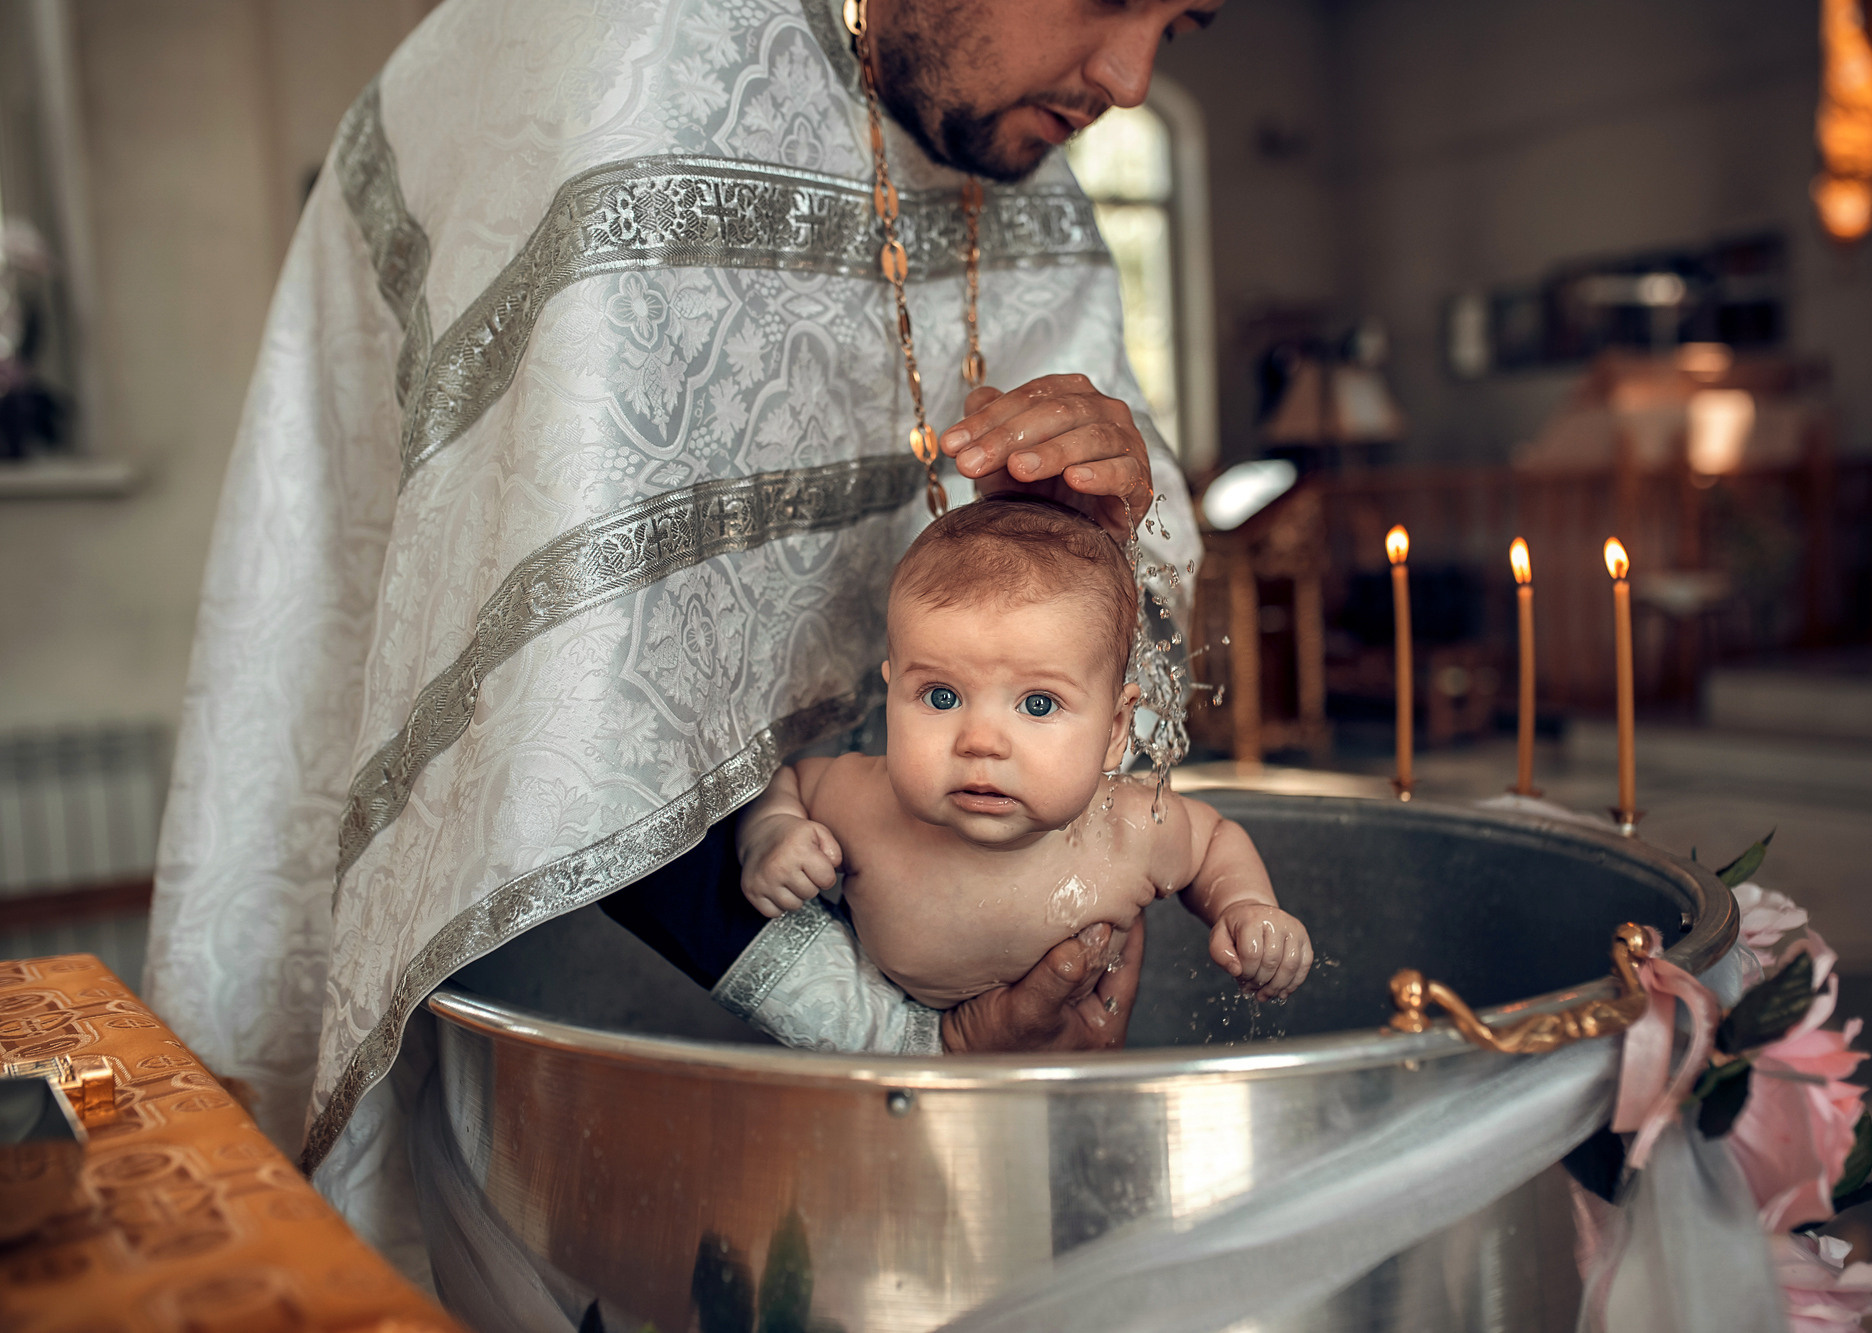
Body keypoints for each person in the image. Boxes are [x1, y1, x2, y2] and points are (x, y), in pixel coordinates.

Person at [144, 0, 1216, 1283]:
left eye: (1184, 24)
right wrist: (904, 1036)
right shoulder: (626, 58)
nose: (1132, 78)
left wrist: (1086, 543)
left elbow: (1099, 662)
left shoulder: (1022, 176)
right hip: (577, 1000)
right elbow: (577, 712)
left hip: (900, 949)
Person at [740, 496, 1312, 1008]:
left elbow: (1214, 840)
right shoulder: (863, 804)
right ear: (891, 697)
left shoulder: (1129, 827)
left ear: (1116, 728)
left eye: (1038, 705)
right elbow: (786, 782)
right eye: (941, 696)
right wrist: (773, 832)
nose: (980, 741)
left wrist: (1246, 907)